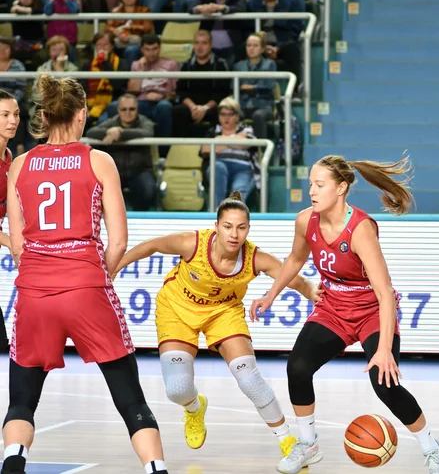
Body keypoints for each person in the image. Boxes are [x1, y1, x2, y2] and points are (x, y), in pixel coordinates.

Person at [2, 74, 169, 474]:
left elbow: (18, 242)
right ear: (81, 115)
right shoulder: (99, 160)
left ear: (42, 115)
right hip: (86, 286)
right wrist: (95, 277)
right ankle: (155, 468)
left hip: (34, 292)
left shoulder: (20, 165)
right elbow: (118, 241)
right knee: (130, 397)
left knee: (22, 401)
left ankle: (12, 463)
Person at [250, 155, 439, 474]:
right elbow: (294, 259)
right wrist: (270, 294)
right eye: (310, 185)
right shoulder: (306, 220)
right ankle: (308, 444)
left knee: (384, 383)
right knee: (298, 368)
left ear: (341, 188)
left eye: (320, 185)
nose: (312, 192)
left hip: (372, 309)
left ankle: (433, 448)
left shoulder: (360, 229)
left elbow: (385, 293)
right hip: (333, 307)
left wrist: (384, 350)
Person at [112, 191, 321, 465]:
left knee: (250, 380)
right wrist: (115, 266)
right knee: (177, 388)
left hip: (223, 312)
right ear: (217, 226)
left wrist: (316, 293)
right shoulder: (192, 243)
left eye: (241, 227)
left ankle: (286, 440)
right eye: (228, 226)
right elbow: (152, 246)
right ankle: (194, 407)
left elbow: (295, 280)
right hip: (177, 308)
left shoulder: (254, 258)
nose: (234, 234)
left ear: (248, 229)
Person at [0, 90, 19, 355]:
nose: (12, 120)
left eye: (15, 114)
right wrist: (16, 245)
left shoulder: (9, 158)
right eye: (4, 115)